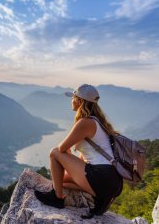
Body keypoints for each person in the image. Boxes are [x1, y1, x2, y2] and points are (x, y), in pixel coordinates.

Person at [34, 84, 123, 218]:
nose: (71, 100)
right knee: (60, 181)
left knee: (54, 152)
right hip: (113, 181)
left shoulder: (85, 123)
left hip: (102, 176)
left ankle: (57, 198)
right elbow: (83, 158)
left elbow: (61, 150)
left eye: (73, 97)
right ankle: (100, 197)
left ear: (80, 101)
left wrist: (65, 155)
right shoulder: (98, 122)